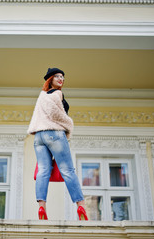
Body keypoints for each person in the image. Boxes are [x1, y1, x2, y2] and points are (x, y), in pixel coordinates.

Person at [27, 68, 88, 221]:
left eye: (62, 77)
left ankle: (42, 207)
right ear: (50, 79)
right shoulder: (57, 93)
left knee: (43, 171)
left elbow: (38, 116)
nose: (61, 79)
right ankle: (81, 205)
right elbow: (55, 113)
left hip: (39, 137)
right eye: (57, 77)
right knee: (68, 170)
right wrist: (69, 124)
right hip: (54, 134)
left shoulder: (41, 96)